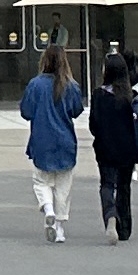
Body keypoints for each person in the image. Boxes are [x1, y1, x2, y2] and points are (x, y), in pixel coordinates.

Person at [20, 51, 86, 240]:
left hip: (42, 139)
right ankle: (60, 227)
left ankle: (47, 207)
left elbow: (26, 111)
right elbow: (76, 110)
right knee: (63, 186)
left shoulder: (35, 84)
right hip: (65, 140)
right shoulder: (70, 86)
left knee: (41, 181)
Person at [90, 55, 138, 242]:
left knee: (106, 184)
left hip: (105, 147)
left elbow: (93, 125)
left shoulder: (99, 94)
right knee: (124, 186)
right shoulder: (130, 97)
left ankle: (110, 215)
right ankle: (125, 227)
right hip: (127, 148)